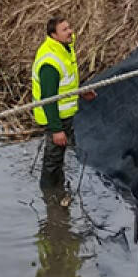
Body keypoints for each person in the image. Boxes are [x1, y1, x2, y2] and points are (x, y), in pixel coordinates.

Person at [30, 14, 94, 191]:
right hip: (54, 118)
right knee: (53, 160)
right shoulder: (49, 62)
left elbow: (66, 83)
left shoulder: (65, 48)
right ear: (53, 35)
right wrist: (56, 129)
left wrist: (80, 91)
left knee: (58, 157)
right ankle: (51, 196)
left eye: (69, 27)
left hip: (65, 114)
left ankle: (58, 189)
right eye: (64, 29)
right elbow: (49, 99)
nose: (70, 32)